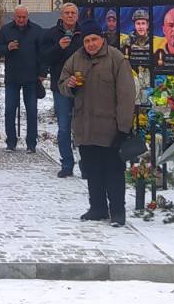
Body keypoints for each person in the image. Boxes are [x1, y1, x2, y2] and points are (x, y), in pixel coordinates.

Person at [58, 20, 136, 228]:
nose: (90, 44)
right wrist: (69, 86)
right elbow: (61, 83)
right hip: (85, 126)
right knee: (92, 170)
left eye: (94, 39)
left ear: (102, 39)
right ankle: (97, 207)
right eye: (86, 41)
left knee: (113, 171)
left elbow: (127, 95)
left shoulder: (116, 59)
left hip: (110, 127)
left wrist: (124, 128)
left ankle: (117, 211)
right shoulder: (76, 58)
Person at [41, 3, 82, 177]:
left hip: (83, 87)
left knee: (82, 127)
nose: (70, 16)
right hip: (61, 87)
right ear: (61, 15)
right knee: (64, 127)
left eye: (73, 13)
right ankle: (67, 164)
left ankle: (85, 164)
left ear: (77, 16)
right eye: (67, 13)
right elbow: (44, 57)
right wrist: (58, 47)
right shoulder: (51, 34)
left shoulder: (84, 33)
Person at [0, 5, 43, 152]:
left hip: (31, 78)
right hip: (12, 77)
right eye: (19, 17)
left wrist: (42, 73)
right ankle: (11, 142)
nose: (21, 20)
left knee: (32, 111)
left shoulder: (37, 30)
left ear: (28, 16)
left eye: (24, 17)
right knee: (10, 110)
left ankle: (31, 144)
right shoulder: (6, 29)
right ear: (14, 16)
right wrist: (7, 48)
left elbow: (42, 54)